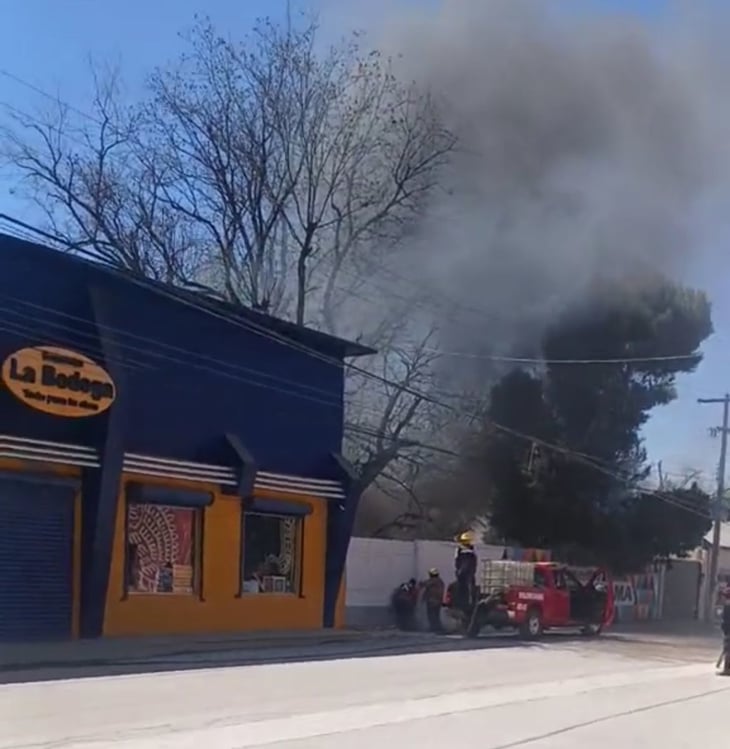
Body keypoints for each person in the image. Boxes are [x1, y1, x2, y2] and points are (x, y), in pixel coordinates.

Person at [454, 531, 478, 611]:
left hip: (465, 578)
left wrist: (460, 571)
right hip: (467, 577)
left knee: (464, 591)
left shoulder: (466, 554)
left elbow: (464, 566)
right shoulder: (469, 553)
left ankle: (465, 607)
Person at [422, 568, 445, 633]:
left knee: (432, 615)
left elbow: (425, 584)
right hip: (438, 601)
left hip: (432, 601)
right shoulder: (440, 581)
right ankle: (437, 628)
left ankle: (434, 628)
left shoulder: (434, 581)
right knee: (436, 615)